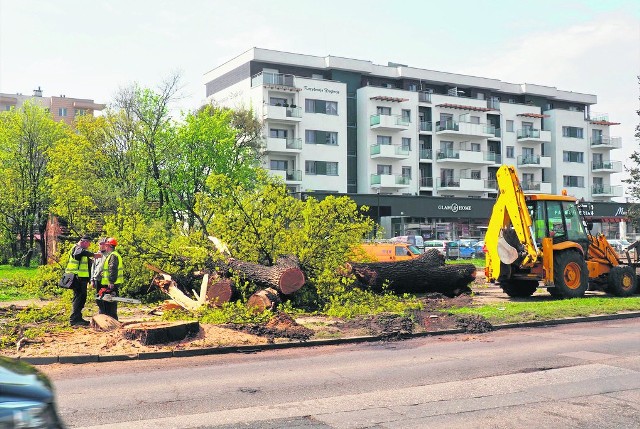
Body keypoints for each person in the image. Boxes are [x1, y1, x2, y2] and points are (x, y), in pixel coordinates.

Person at [65, 235, 95, 326]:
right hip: (77, 278)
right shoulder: (77, 249)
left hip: (81, 279)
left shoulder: (82, 251)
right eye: (88, 244)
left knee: (81, 298)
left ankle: (78, 318)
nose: (88, 246)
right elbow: (78, 254)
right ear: (84, 242)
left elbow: (83, 261)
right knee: (79, 298)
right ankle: (74, 320)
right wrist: (93, 255)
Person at [97, 237, 124, 320]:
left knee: (111, 303)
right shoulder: (112, 255)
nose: (105, 247)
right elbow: (108, 269)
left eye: (106, 246)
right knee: (107, 302)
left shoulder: (113, 256)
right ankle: (109, 320)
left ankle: (113, 320)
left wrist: (111, 281)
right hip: (108, 282)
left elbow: (112, 269)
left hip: (112, 283)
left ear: (109, 246)